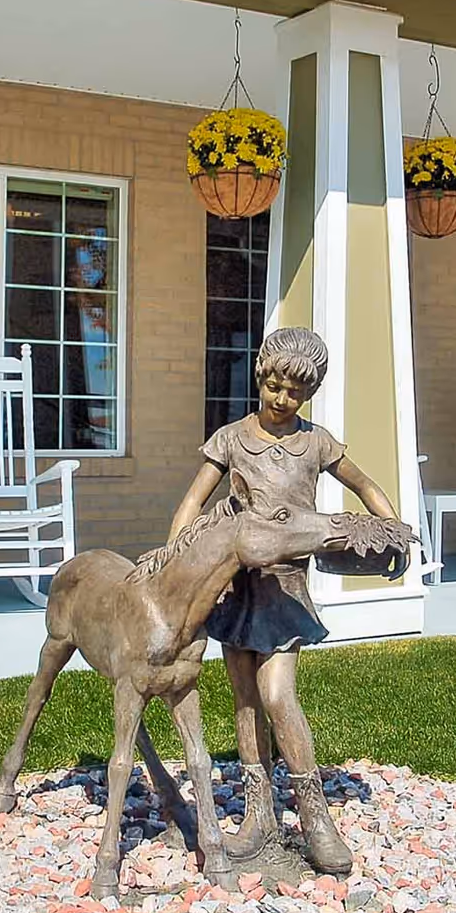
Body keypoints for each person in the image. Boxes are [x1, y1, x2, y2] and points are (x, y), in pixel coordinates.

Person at [167, 326, 398, 874]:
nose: (281, 399)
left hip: (286, 589)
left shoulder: (316, 443)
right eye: (273, 386)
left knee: (277, 696)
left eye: (294, 392)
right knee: (245, 700)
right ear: (260, 378)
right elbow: (192, 503)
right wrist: (179, 557)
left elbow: (364, 485)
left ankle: (316, 817)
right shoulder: (230, 438)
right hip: (234, 585)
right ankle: (258, 813)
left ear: (309, 393)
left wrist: (395, 530)